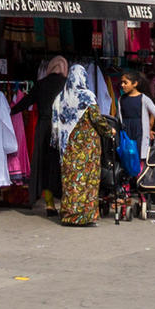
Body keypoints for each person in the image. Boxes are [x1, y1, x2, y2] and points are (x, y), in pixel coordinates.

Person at [51, 62, 110, 226]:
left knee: (71, 181)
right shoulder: (87, 96)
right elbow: (97, 119)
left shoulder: (60, 97)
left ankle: (69, 216)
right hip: (88, 147)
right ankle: (85, 217)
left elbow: (55, 123)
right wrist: (109, 131)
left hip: (68, 146)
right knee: (88, 181)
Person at [10, 56, 69, 213]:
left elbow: (25, 102)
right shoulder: (66, 85)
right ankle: (65, 203)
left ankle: (49, 204)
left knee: (44, 164)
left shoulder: (41, 84)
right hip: (62, 129)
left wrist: (8, 110)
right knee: (60, 164)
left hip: (43, 128)